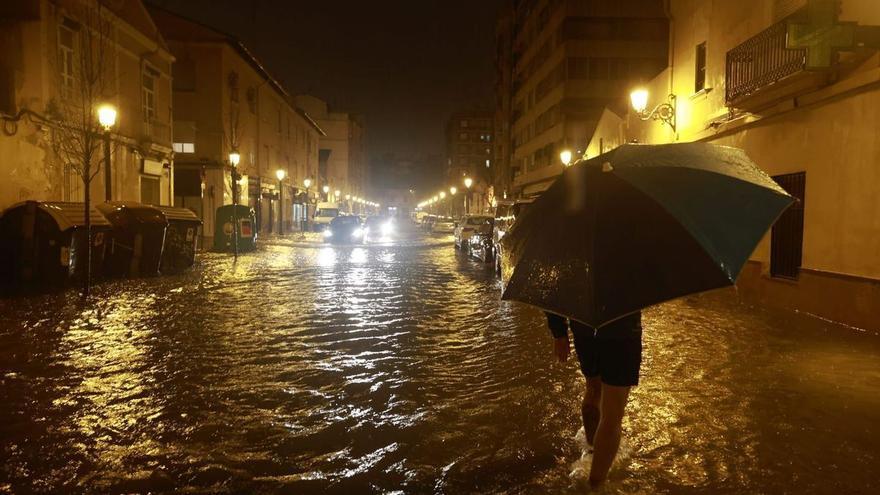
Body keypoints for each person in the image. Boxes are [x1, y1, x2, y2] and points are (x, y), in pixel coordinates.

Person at [545, 311, 643, 489]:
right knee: (612, 413)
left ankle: (591, 450)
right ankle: (596, 485)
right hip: (621, 328)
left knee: (593, 389)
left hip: (584, 327)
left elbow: (553, 286)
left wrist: (559, 332)